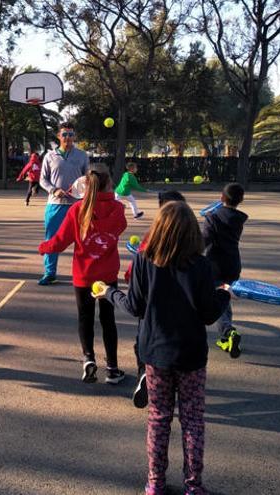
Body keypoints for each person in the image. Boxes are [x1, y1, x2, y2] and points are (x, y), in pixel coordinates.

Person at [99, 201, 231, 495]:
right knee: (193, 420)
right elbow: (210, 314)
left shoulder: (146, 260)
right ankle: (193, 485)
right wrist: (224, 295)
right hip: (191, 354)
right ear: (191, 233)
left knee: (159, 418)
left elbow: (134, 306)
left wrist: (109, 293)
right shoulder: (201, 265)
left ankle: (155, 483)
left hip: (156, 353)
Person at [39, 163, 128, 383]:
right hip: (107, 275)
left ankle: (89, 359)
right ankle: (113, 369)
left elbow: (60, 242)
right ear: (108, 184)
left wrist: (44, 247)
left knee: (85, 318)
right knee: (108, 320)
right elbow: (120, 228)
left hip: (83, 274)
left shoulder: (77, 211)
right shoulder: (117, 210)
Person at [123, 189, 186, 408]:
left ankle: (145, 374)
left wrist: (120, 285)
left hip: (151, 309)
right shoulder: (192, 241)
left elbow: (134, 277)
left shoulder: (151, 239)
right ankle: (171, 381)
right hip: (182, 318)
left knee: (144, 342)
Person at [38, 122, 89, 285]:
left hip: (77, 205)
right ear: (59, 136)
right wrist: (54, 190)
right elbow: (42, 180)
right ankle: (49, 272)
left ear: (74, 137)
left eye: (71, 134)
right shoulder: (49, 156)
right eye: (64, 134)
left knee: (82, 240)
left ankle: (82, 272)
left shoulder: (82, 156)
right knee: (52, 239)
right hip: (55, 205)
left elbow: (88, 179)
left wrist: (82, 191)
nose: (68, 138)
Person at [203, 183, 248, 358]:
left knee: (217, 298)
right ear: (241, 200)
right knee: (224, 296)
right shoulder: (238, 219)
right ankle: (226, 334)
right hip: (233, 263)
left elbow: (205, 240)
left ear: (222, 197)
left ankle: (228, 331)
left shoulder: (214, 218)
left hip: (215, 264)